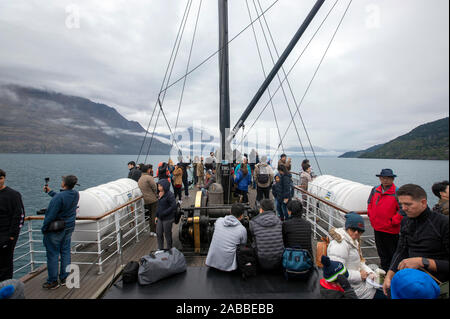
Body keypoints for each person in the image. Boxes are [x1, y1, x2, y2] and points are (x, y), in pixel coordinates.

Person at [382, 184, 449, 296]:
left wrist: (422, 261)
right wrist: (389, 275)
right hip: (410, 283)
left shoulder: (443, 224)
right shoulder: (406, 222)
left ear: (423, 202)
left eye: (408, 204)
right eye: (401, 204)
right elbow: (401, 250)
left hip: (436, 285)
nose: (403, 208)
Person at [327, 212, 379, 299]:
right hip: (348, 288)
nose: (356, 233)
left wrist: (370, 272)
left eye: (360, 231)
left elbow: (360, 262)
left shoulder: (352, 241)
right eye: (353, 229)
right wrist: (360, 276)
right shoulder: (340, 245)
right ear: (347, 228)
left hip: (354, 284)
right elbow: (336, 272)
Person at [41, 175, 79, 289]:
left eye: (62, 181)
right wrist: (50, 192)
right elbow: (63, 197)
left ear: (64, 184)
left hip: (57, 229)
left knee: (52, 254)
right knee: (65, 252)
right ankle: (64, 277)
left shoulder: (59, 198)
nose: (61, 182)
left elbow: (50, 215)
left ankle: (52, 281)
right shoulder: (76, 194)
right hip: (69, 227)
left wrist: (44, 228)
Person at [367, 168, 404, 272]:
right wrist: (371, 215)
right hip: (377, 227)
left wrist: (393, 221)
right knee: (381, 252)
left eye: (388, 178)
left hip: (391, 229)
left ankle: (392, 272)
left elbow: (402, 210)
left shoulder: (397, 192)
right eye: (383, 178)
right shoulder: (375, 190)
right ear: (380, 178)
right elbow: (369, 202)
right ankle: (384, 270)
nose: (385, 180)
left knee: (392, 253)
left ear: (393, 179)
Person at [205, 203, 247, 272]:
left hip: (212, 262)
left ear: (230, 211)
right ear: (242, 216)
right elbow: (243, 245)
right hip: (229, 267)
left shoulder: (219, 221)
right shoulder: (242, 230)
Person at [0, 169, 25, 281]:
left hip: (6, 236)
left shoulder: (13, 195)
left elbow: (19, 215)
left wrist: (11, 236)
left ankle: (5, 290)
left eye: (0, 178)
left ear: (4, 179)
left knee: (6, 265)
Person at [249, 199, 284, 271]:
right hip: (279, 259)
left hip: (261, 260)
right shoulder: (279, 221)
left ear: (261, 209)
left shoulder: (253, 222)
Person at [155, 179, 177, 250]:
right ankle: (160, 248)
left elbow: (173, 206)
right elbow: (158, 206)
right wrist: (156, 215)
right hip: (160, 218)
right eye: (158, 186)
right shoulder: (159, 194)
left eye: (160, 186)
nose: (159, 187)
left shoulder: (170, 195)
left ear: (165, 186)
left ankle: (169, 249)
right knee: (159, 233)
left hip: (168, 218)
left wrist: (164, 213)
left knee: (167, 234)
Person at [138, 165, 158, 236]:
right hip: (152, 199)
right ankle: (154, 231)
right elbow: (155, 187)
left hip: (145, 200)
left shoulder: (140, 178)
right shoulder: (149, 178)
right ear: (148, 170)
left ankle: (151, 231)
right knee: (154, 216)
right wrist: (156, 195)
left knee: (150, 215)